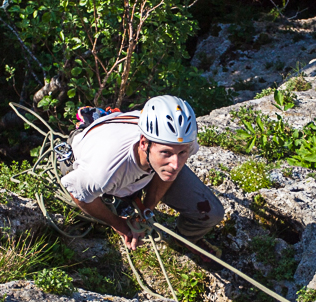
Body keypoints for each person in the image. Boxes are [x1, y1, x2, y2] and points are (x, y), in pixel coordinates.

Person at [60, 95, 224, 267]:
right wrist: (118, 224)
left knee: (212, 213)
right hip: (96, 144)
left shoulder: (182, 140)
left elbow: (171, 169)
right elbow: (79, 194)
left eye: (182, 153)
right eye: (166, 153)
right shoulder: (105, 170)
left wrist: (147, 211)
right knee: (103, 187)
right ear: (144, 143)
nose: (176, 164)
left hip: (139, 154)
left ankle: (187, 238)